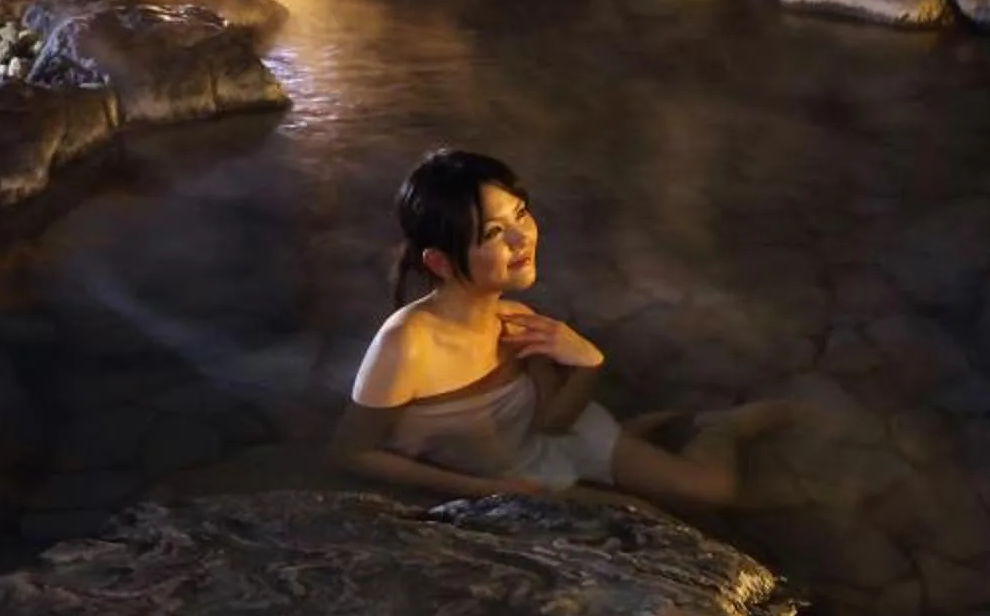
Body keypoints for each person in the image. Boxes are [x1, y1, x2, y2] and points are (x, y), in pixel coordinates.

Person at [331, 148, 786, 507]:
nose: (522, 238)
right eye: (494, 233)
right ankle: (639, 435)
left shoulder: (516, 320)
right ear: (441, 262)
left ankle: (717, 429)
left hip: (555, 444)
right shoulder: (406, 343)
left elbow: (552, 425)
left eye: (521, 214)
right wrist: (480, 490)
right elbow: (353, 453)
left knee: (715, 492)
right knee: (645, 517)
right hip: (510, 479)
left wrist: (588, 365)